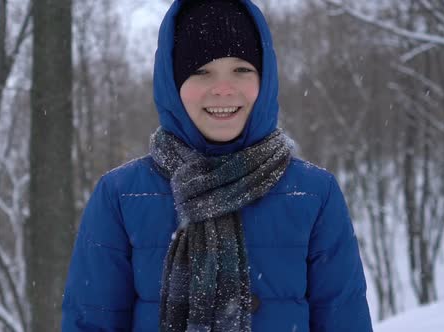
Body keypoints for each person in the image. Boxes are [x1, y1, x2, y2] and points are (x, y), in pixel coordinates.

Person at [61, 0, 373, 331]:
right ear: (171, 84)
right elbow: (90, 322)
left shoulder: (314, 193)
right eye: (201, 71)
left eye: (242, 69)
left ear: (264, 81)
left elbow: (345, 320)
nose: (223, 89)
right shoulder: (121, 196)